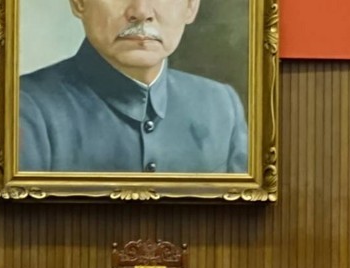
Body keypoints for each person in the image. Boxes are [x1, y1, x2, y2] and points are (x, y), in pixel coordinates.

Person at [19, 0, 248, 173]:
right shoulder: (25, 108)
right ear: (79, 3)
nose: (141, 11)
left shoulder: (221, 105)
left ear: (191, 6)